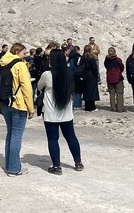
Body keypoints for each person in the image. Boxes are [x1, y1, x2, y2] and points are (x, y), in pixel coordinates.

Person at [38, 47, 84, 175]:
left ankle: (57, 166)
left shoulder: (47, 75)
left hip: (51, 113)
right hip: (66, 113)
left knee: (53, 139)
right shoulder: (69, 73)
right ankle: (78, 162)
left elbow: (39, 87)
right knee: (71, 137)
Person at [0, 43, 34, 176]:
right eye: (24, 53)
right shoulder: (20, 65)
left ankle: (9, 164)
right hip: (18, 104)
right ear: (17, 51)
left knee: (10, 134)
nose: (25, 56)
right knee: (16, 136)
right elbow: (26, 88)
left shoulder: (1, 63)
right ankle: (14, 168)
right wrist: (31, 108)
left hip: (5, 104)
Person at [103, 47, 125, 112]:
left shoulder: (106, 60)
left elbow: (106, 66)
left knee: (112, 93)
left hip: (109, 77)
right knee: (119, 93)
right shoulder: (118, 60)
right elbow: (122, 67)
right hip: (118, 77)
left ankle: (113, 108)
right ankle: (120, 108)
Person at [81, 44, 100, 111]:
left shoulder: (83, 57)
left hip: (85, 75)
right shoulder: (91, 58)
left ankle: (87, 106)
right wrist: (96, 75)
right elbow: (94, 67)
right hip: (91, 75)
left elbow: (80, 66)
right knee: (92, 91)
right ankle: (92, 106)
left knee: (86, 91)